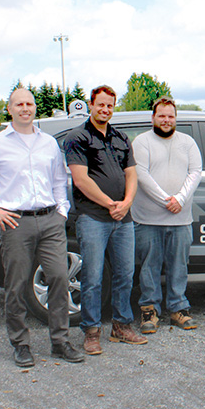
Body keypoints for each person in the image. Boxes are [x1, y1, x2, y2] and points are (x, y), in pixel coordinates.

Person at [0, 88, 84, 367]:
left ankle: (60, 341)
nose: (25, 108)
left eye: (29, 103)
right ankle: (21, 344)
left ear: (34, 108)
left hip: (50, 220)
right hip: (16, 222)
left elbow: (58, 179)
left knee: (59, 278)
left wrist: (61, 211)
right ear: (10, 109)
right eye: (19, 104)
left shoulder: (49, 143)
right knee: (15, 285)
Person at [64, 85, 146, 354]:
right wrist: (110, 203)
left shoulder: (121, 138)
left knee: (125, 274)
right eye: (100, 104)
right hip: (93, 217)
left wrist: (127, 203)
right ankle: (91, 331)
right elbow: (80, 179)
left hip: (123, 218)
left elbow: (131, 175)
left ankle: (121, 327)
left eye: (110, 105)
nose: (105, 109)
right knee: (93, 277)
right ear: (91, 104)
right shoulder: (77, 138)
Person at [132, 97, 203, 333]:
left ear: (175, 118)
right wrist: (166, 200)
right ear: (153, 117)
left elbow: (195, 172)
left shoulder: (188, 142)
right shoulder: (142, 142)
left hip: (181, 219)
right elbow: (141, 174)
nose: (166, 120)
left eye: (170, 116)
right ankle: (149, 311)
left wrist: (180, 199)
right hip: (148, 218)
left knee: (178, 265)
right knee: (149, 266)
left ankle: (178, 309)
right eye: (161, 116)